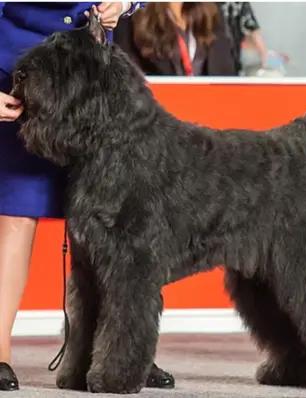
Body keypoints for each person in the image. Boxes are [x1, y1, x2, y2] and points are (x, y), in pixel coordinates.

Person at [0, 2, 173, 391]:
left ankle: (126, 353)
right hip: (18, 70)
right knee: (16, 216)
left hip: (93, 81)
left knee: (116, 228)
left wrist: (127, 3)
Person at [114, 2, 236, 76]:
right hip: (158, 111)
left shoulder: (212, 12)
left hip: (208, 108)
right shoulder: (130, 17)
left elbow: (226, 74)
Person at [219, 2, 268, 74]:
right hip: (228, 58)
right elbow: (253, 29)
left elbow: (252, 28)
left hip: (225, 58)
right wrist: (264, 58)